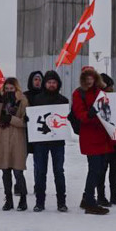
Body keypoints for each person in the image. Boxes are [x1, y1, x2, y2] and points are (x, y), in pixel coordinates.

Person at [72, 66, 113, 215]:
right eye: (86, 77)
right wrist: (90, 114)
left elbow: (111, 110)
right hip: (90, 136)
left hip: (103, 135)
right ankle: (90, 200)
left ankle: (86, 197)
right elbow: (80, 115)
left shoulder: (102, 92)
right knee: (94, 169)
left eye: (92, 77)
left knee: (100, 168)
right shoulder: (78, 94)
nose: (89, 80)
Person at [30, 70, 69, 212]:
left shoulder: (63, 100)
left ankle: (61, 202)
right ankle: (39, 202)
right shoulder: (37, 99)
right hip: (40, 142)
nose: (51, 85)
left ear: (58, 84)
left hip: (58, 142)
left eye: (54, 82)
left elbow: (65, 118)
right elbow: (32, 117)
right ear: (45, 84)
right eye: (49, 82)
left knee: (59, 171)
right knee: (41, 172)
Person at [0, 77, 30, 211]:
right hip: (3, 138)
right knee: (5, 171)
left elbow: (25, 122)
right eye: (6, 88)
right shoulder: (2, 100)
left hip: (17, 139)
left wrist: (11, 119)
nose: (9, 91)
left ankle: (23, 199)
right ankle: (8, 199)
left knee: (18, 171)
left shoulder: (23, 101)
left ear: (16, 88)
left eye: (11, 89)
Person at [95, 73, 116, 206]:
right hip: (103, 140)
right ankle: (101, 195)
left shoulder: (115, 99)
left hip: (115, 139)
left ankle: (113, 194)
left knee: (114, 168)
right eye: (108, 87)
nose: (110, 90)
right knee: (102, 169)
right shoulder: (97, 99)